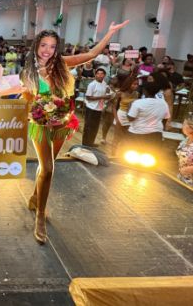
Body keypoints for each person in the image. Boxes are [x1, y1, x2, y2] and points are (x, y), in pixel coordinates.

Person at [21, 21, 129, 243]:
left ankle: (35, 197)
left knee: (49, 164)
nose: (47, 50)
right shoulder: (29, 72)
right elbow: (26, 100)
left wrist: (110, 32)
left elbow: (92, 54)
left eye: (52, 46)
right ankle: (40, 216)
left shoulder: (62, 63)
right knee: (48, 169)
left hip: (63, 123)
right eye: (43, 45)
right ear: (36, 46)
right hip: (41, 124)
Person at [127, 82, 170, 155]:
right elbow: (166, 118)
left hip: (137, 134)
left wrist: (129, 108)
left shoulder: (138, 103)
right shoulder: (163, 103)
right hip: (155, 135)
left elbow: (130, 118)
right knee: (152, 156)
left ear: (144, 91)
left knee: (132, 156)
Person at [82, 68, 111, 147]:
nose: (100, 75)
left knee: (95, 127)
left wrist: (107, 94)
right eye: (98, 74)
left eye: (102, 74)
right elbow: (88, 97)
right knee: (88, 127)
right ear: (95, 75)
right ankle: (85, 144)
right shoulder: (92, 85)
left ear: (104, 75)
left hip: (99, 108)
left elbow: (107, 93)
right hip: (91, 108)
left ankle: (91, 142)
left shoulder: (105, 84)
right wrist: (102, 97)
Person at [114, 76, 139, 153]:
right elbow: (114, 107)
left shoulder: (136, 94)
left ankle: (122, 153)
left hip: (130, 116)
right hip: (121, 115)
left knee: (127, 137)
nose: (136, 86)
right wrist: (117, 120)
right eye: (134, 84)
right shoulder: (120, 93)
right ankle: (113, 153)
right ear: (129, 84)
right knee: (117, 137)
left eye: (137, 84)